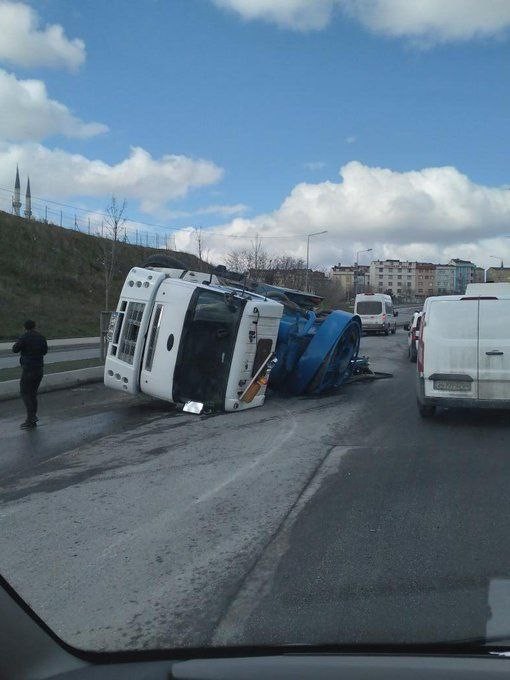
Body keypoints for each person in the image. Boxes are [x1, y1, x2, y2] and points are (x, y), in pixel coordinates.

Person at [12, 320, 48, 429]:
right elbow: (45, 351)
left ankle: (31, 418)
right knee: (33, 394)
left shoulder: (24, 337)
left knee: (25, 393)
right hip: (39, 369)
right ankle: (32, 418)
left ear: (25, 327)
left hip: (28, 369)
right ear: (35, 326)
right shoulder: (41, 337)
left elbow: (15, 349)